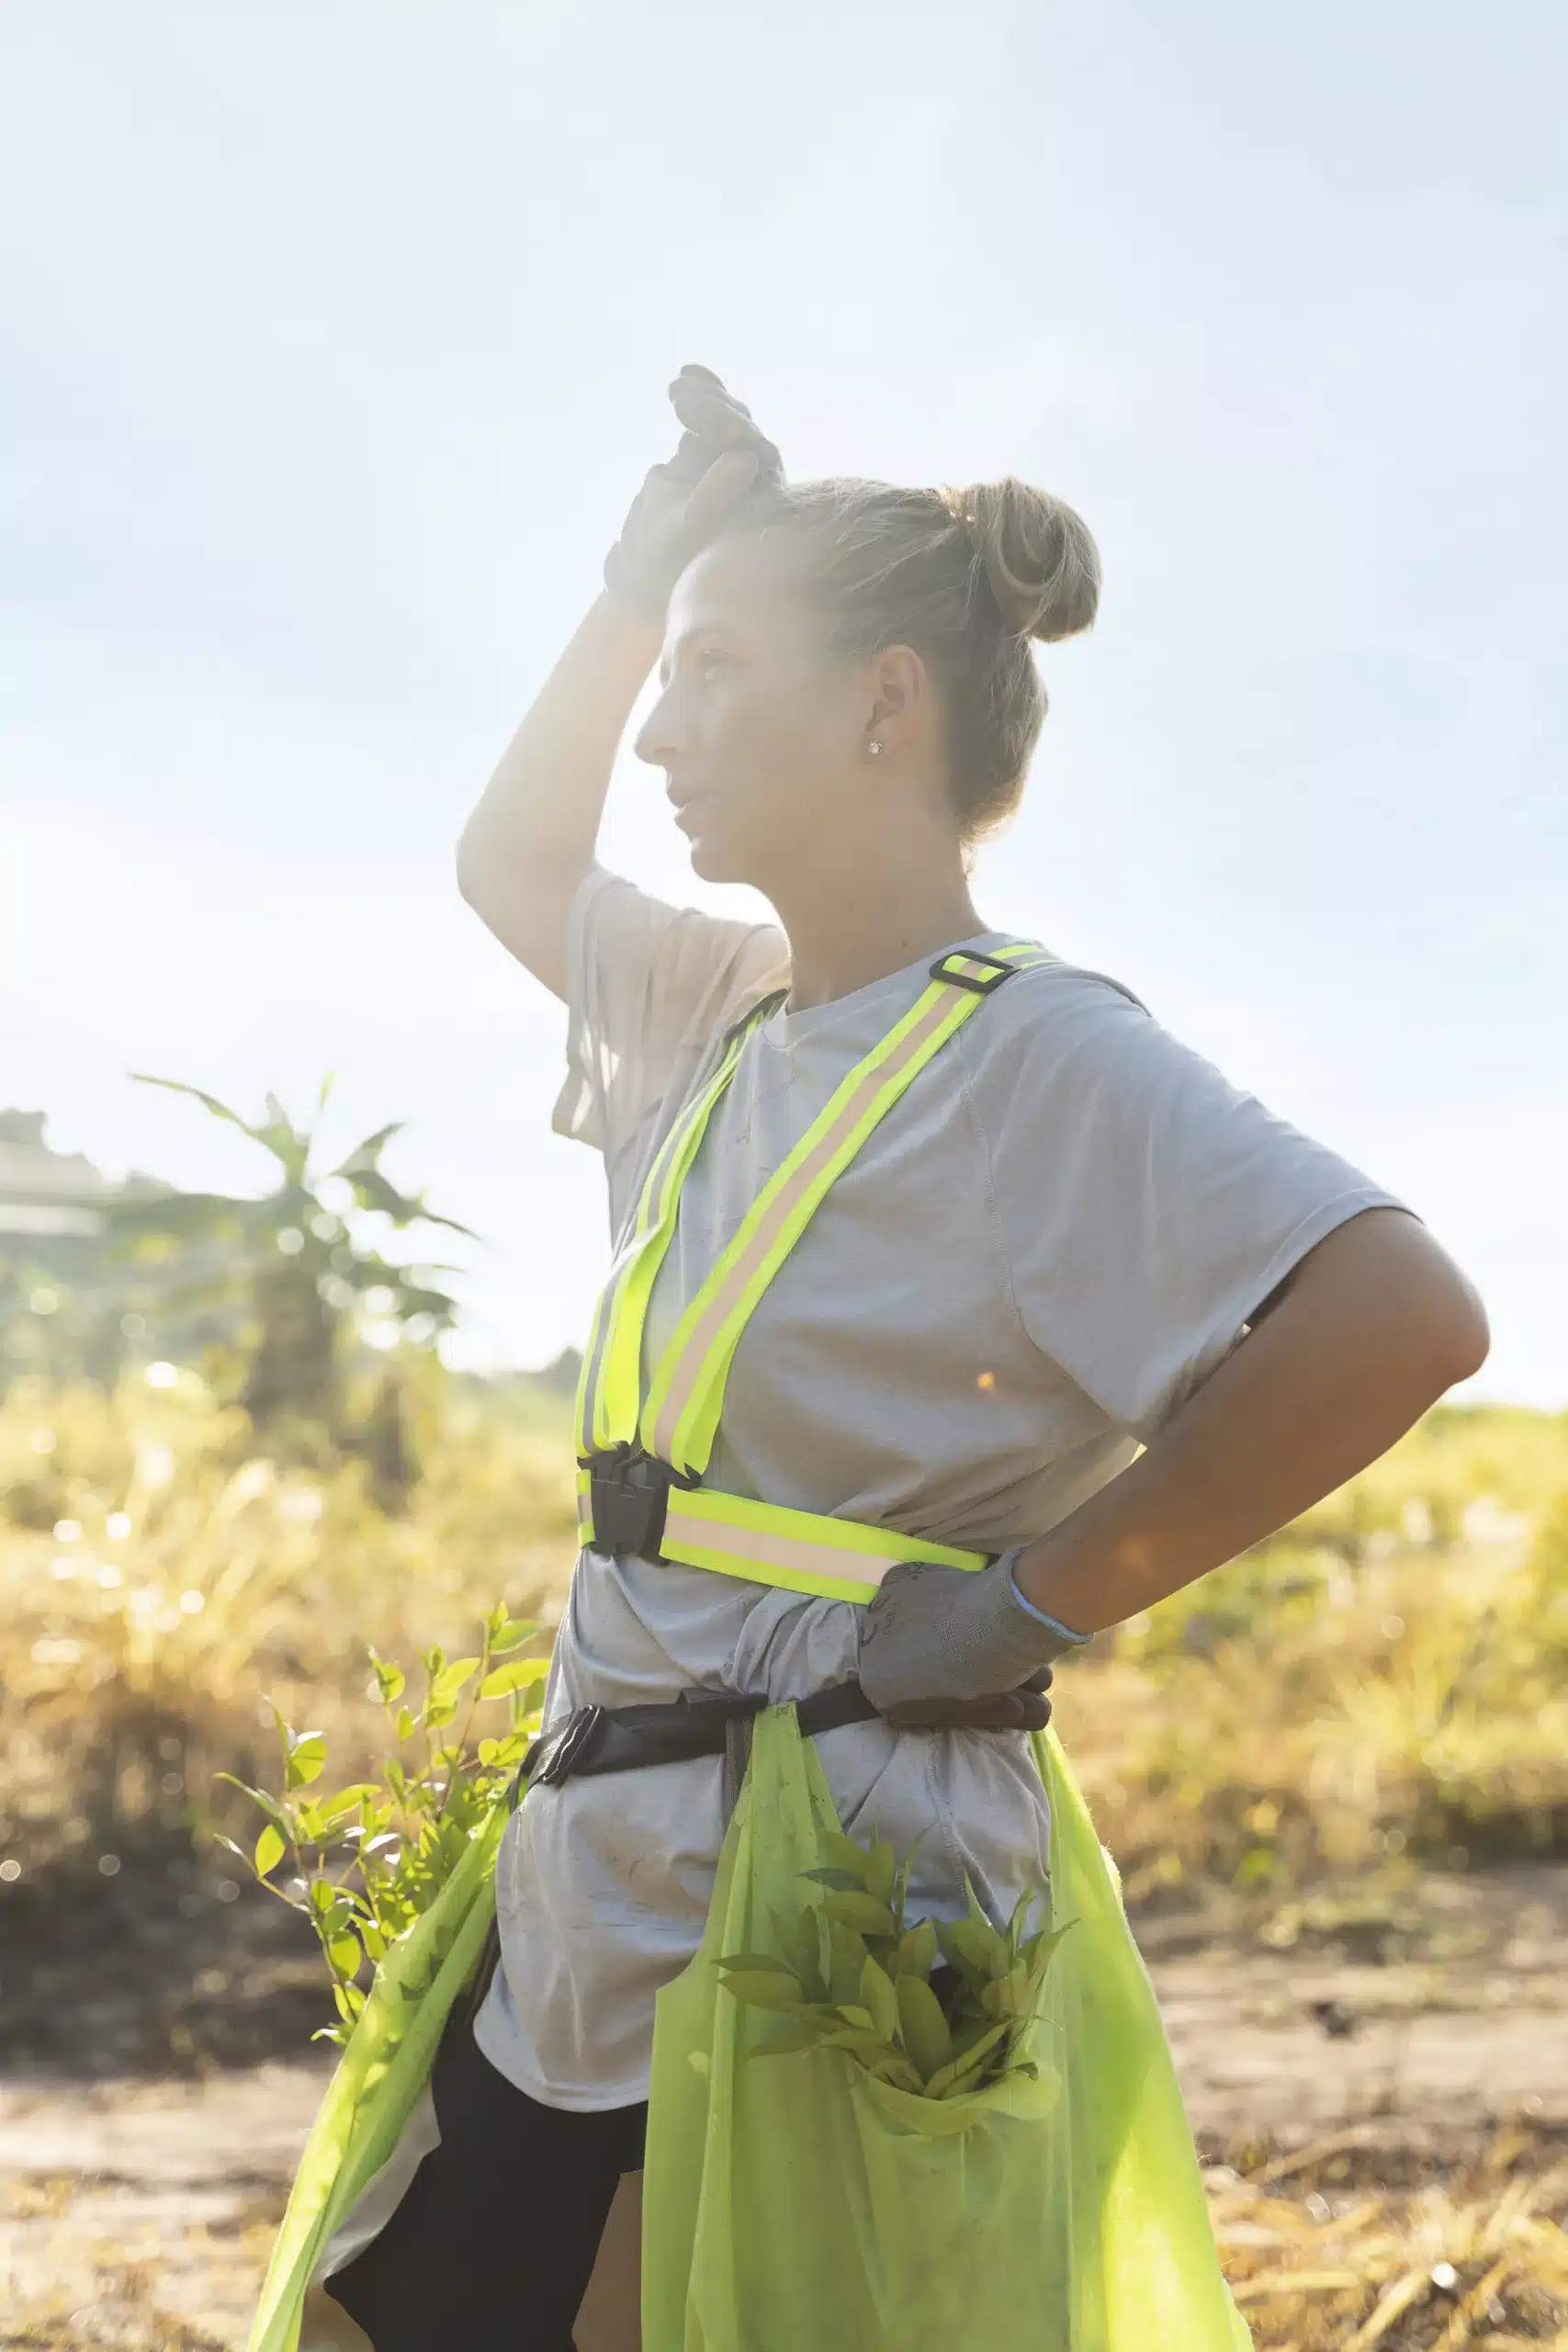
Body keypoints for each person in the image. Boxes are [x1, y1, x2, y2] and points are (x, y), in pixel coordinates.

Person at [326, 365, 1489, 2350]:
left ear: (882, 701)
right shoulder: (717, 1003)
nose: (662, 731)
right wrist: (642, 580)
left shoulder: (1035, 1051)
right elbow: (508, 857)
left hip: (812, 1891)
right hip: (597, 1857)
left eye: (709, 670)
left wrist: (1045, 1594)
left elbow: (1402, 1313)